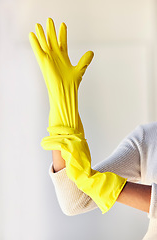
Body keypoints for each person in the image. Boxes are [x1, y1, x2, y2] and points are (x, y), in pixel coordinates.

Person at [29, 18, 157, 240]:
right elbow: (75, 200)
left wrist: (108, 187)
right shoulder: (149, 140)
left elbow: (99, 186)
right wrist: (62, 120)